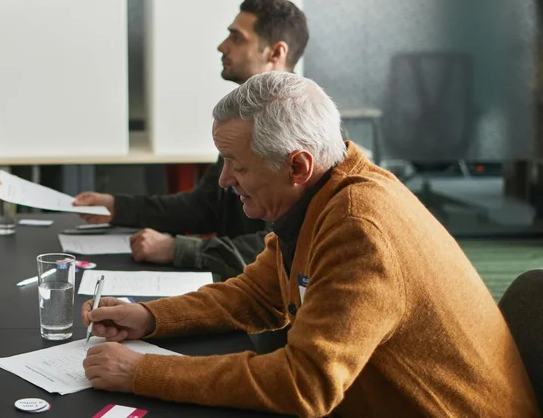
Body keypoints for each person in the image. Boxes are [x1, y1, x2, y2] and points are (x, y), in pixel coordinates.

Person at [81, 72, 539, 418]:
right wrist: (151, 316)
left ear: (297, 165)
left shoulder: (358, 228)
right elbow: (258, 294)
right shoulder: (323, 192)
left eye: (236, 165)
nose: (224, 181)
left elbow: (306, 384)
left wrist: (140, 372)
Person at [73, 0, 308, 278]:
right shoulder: (248, 117)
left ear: (275, 53)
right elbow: (206, 205)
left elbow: (282, 245)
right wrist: (117, 206)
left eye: (236, 38)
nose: (222, 46)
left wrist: (179, 249)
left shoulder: (301, 129)